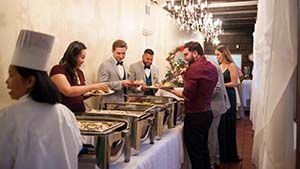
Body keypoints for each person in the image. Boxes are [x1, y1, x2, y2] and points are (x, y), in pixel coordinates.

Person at [0, 30, 82, 169]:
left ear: (30, 81)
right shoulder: (65, 113)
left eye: (11, 75)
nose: (7, 82)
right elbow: (77, 148)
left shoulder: (9, 116)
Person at [163, 41, 218, 169]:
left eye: (186, 55)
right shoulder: (211, 66)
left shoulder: (193, 68)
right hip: (207, 113)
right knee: (203, 148)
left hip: (195, 116)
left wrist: (168, 89)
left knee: (195, 153)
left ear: (195, 53)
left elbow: (187, 95)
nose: (185, 58)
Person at [50, 41, 108, 114]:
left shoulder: (79, 72)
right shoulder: (58, 69)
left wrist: (94, 93)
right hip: (64, 114)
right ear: (73, 56)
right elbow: (68, 91)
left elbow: (80, 94)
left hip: (80, 113)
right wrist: (93, 86)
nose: (83, 61)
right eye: (82, 57)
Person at [215, 45, 241, 163]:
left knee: (229, 125)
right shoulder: (219, 66)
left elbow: (234, 83)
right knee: (221, 126)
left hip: (229, 96)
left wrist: (220, 85)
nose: (217, 57)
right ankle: (222, 155)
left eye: (218, 54)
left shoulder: (232, 66)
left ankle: (231, 155)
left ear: (224, 54)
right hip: (221, 97)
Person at [207, 59, 230, 169]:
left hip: (215, 105)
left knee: (211, 135)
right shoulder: (211, 63)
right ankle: (216, 159)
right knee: (214, 134)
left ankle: (211, 162)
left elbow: (217, 87)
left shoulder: (210, 65)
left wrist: (202, 96)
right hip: (217, 104)